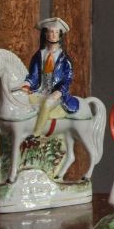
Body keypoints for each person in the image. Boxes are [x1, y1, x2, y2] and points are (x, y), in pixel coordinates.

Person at [25, 15, 78, 144]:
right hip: (40, 90)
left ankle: (36, 135)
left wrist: (59, 91)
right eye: (50, 32)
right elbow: (33, 75)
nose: (53, 35)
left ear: (60, 36)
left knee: (47, 103)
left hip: (56, 94)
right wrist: (26, 85)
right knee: (22, 100)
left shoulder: (64, 59)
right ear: (45, 35)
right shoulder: (39, 55)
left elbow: (68, 78)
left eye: (56, 32)